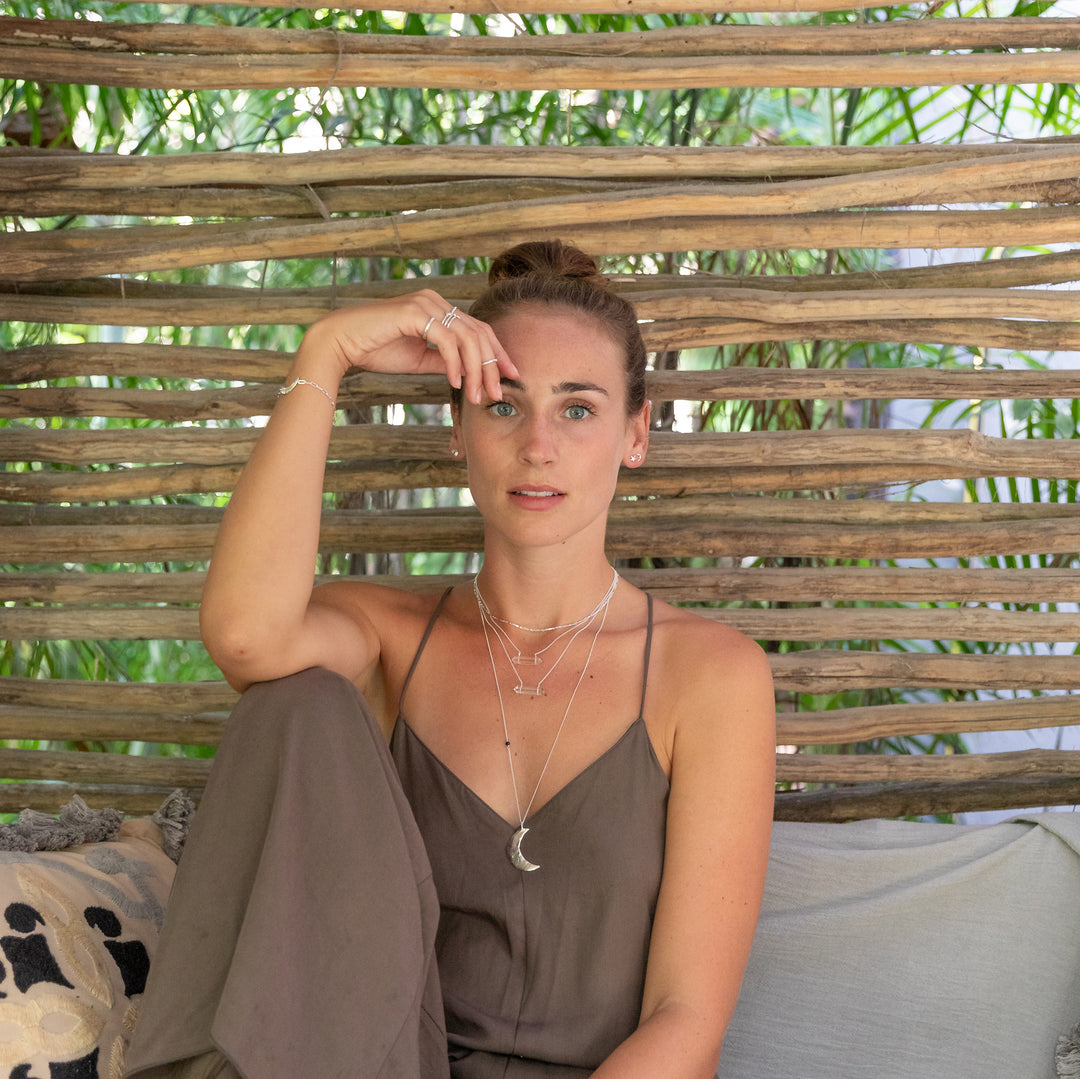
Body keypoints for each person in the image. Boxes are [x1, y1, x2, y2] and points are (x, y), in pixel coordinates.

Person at [124, 240, 776, 1079]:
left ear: (636, 433)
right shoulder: (389, 638)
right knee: (291, 702)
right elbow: (247, 636)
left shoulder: (713, 676)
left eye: (577, 409)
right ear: (458, 432)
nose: (538, 444)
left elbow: (686, 1021)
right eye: (503, 405)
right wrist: (327, 351)